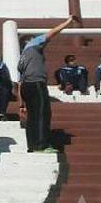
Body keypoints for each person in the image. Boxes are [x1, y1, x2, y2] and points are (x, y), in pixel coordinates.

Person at [17, 16, 76, 153]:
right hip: (36, 83)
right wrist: (67, 22)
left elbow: (20, 82)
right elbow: (52, 33)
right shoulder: (32, 45)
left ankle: (32, 145)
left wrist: (21, 104)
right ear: (28, 41)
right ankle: (41, 145)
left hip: (26, 86)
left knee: (32, 116)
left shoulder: (22, 57)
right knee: (43, 113)